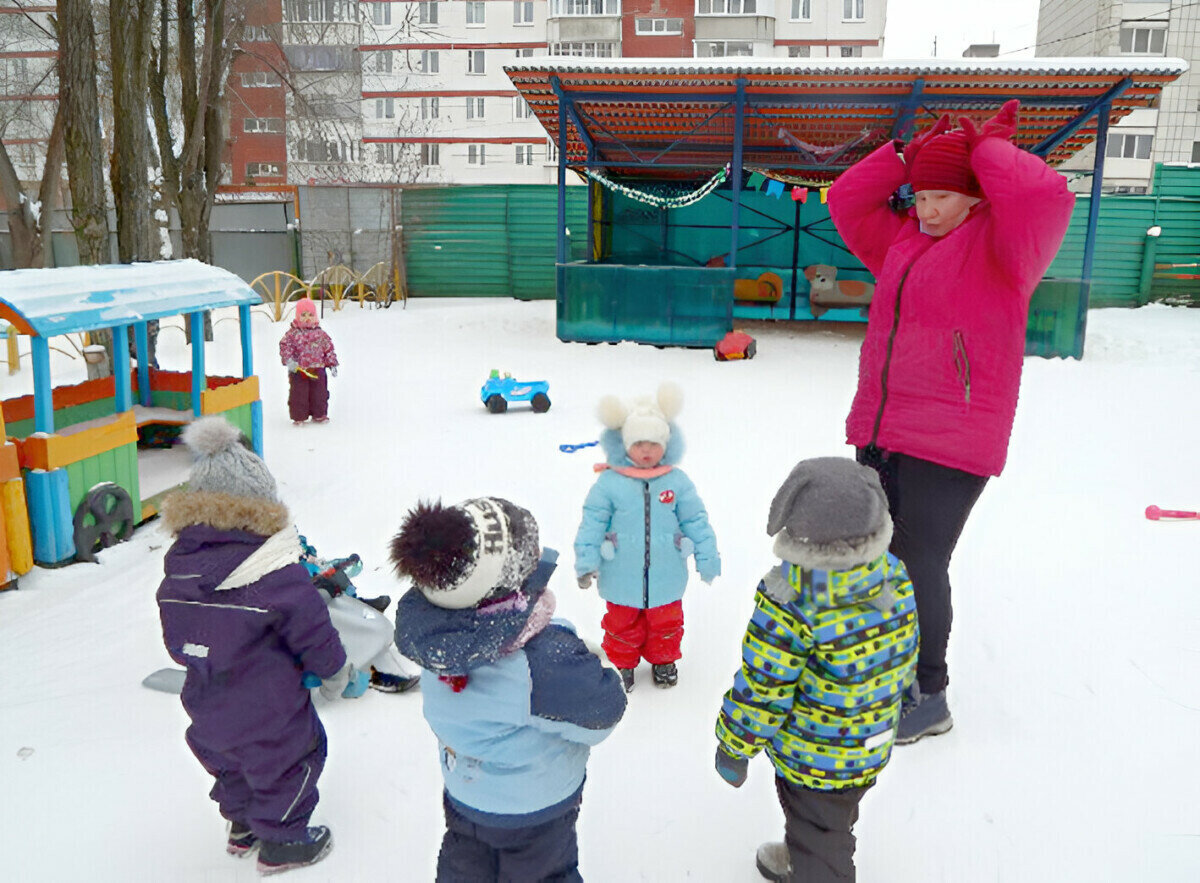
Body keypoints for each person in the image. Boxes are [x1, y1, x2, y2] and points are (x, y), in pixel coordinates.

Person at [826, 99, 1074, 743]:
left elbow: (1044, 194)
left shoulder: (1005, 248)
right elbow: (847, 201)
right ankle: (890, 666)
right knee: (878, 555)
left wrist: (983, 152)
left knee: (919, 559)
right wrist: (906, 159)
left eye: (944, 195)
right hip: (884, 426)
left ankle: (928, 694)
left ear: (975, 198)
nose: (928, 208)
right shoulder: (905, 238)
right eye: (921, 195)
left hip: (954, 433)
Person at [391, 497, 627, 882]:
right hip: (536, 810)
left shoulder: (435, 634)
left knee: (465, 865)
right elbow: (602, 715)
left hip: (465, 799)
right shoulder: (541, 661)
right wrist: (587, 662)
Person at [156, 416, 352, 874]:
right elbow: (313, 630)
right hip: (269, 705)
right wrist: (334, 669)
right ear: (259, 507)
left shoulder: (180, 567)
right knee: (289, 763)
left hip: (205, 702)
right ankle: (283, 842)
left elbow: (176, 636)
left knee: (230, 763)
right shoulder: (274, 572)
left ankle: (242, 828)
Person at [714, 457, 918, 883]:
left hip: (814, 757)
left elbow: (763, 688)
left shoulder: (790, 603)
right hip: (870, 742)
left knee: (820, 830)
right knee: (834, 817)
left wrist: (734, 746)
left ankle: (818, 866)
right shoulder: (892, 576)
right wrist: (898, 696)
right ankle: (810, 855)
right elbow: (904, 649)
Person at [573, 382, 720, 691]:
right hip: (619, 572)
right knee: (620, 624)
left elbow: (696, 520)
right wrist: (586, 561)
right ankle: (622, 665)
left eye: (654, 443)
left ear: (667, 444)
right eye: (638, 443)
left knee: (666, 622)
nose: (646, 450)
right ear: (624, 445)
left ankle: (664, 659)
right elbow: (592, 524)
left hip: (667, 573)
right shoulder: (610, 483)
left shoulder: (677, 482)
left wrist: (707, 556)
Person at [278, 297, 338, 425]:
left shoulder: (320, 334)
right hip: (300, 370)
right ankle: (299, 416)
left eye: (310, 315)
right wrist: (289, 361)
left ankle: (319, 414)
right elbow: (285, 347)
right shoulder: (293, 334)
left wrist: (332, 363)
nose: (307, 318)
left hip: (318, 369)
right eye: (303, 315)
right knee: (299, 395)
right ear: (298, 316)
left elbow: (328, 348)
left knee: (320, 394)